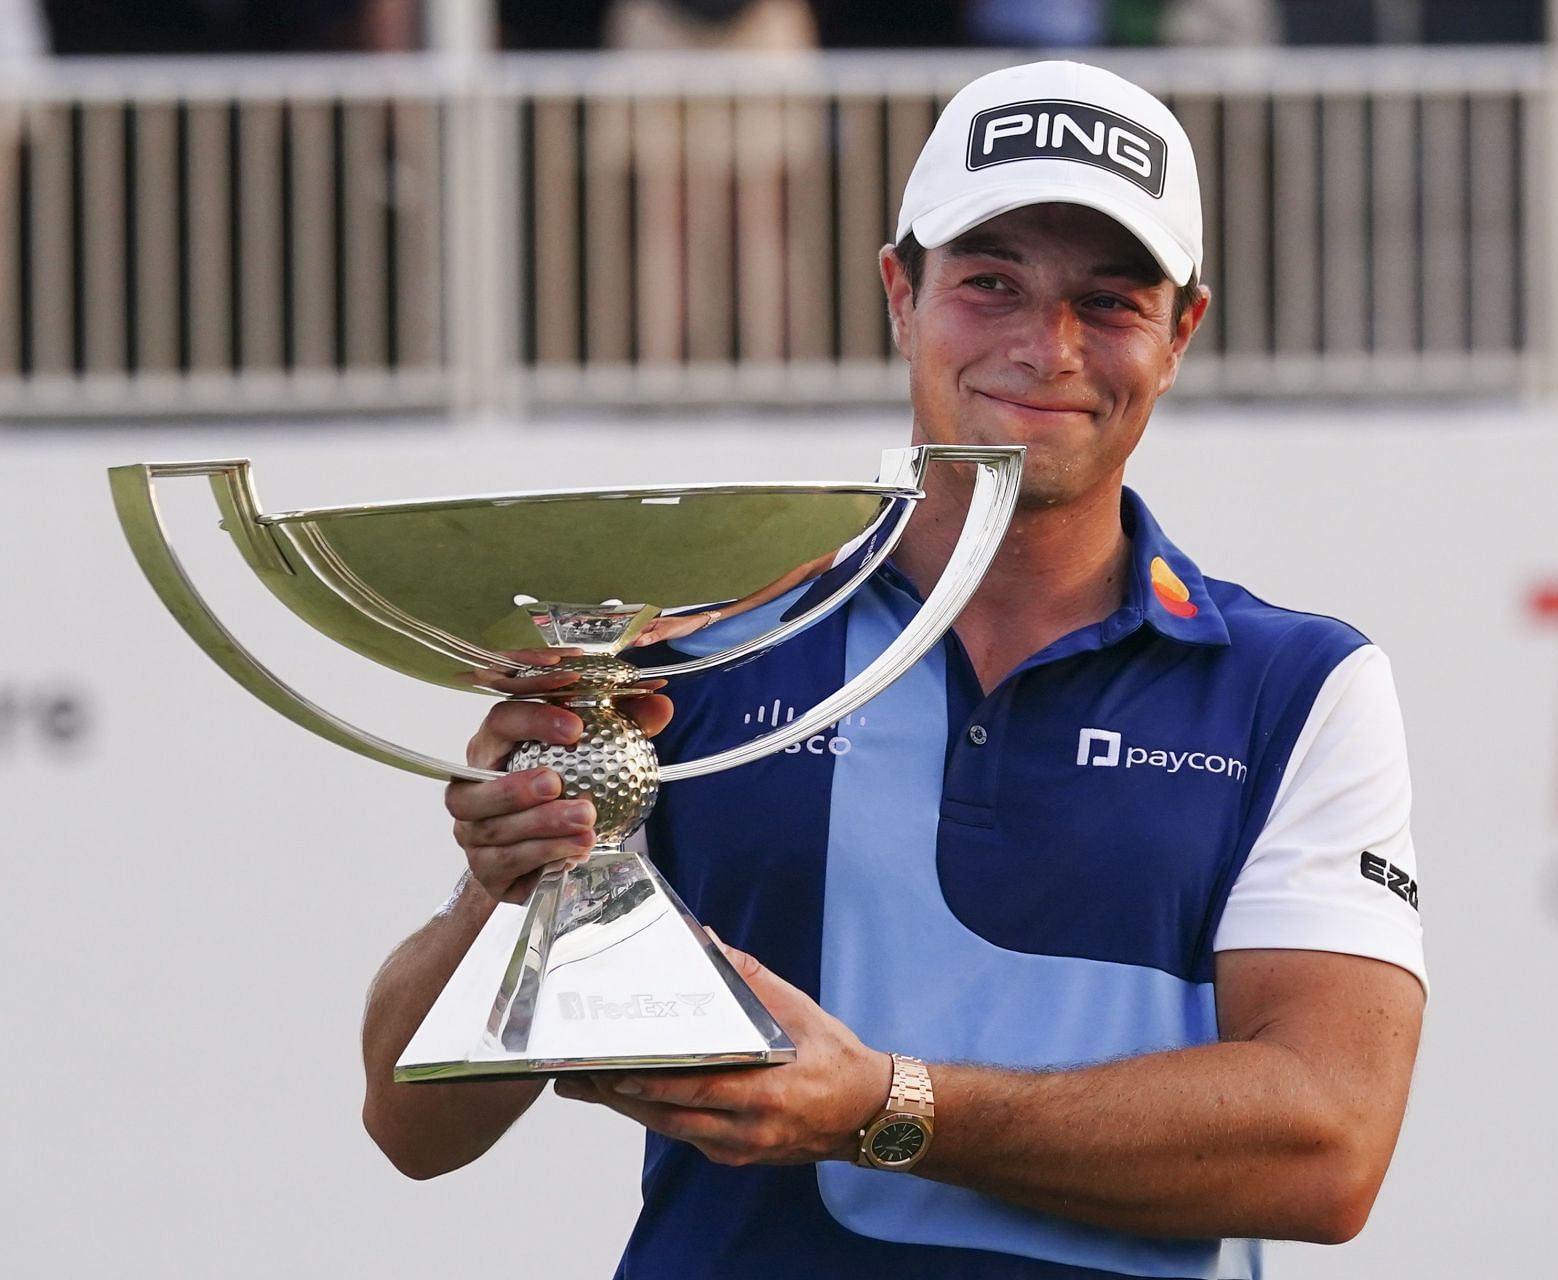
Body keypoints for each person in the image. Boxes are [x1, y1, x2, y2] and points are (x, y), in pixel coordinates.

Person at [362, 60, 1427, 1277]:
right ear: (898, 294)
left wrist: (884, 1104)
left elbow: (1329, 1145)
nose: (1048, 347)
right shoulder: (692, 656)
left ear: (1181, 331)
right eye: (991, 283)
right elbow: (415, 1123)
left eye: (1112, 300)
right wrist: (503, 884)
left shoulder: (1298, 688)